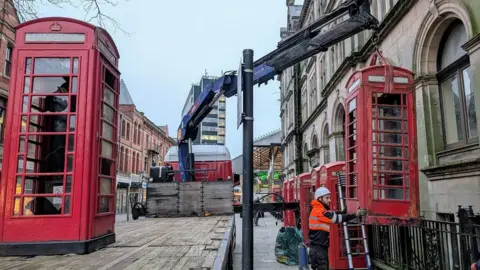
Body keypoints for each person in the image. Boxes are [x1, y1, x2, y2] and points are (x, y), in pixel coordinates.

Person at [308, 187, 367, 270]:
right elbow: (336, 218)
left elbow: (332, 213)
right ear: (320, 199)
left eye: (329, 198)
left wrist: (343, 211)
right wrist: (355, 214)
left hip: (318, 249)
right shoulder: (319, 211)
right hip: (319, 251)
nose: (329, 200)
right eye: (327, 198)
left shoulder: (319, 209)